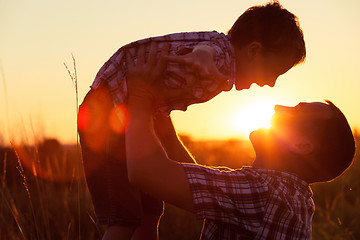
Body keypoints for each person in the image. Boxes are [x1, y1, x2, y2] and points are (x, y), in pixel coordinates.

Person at [78, 1, 306, 239]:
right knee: (124, 218)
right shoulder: (219, 59)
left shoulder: (221, 58)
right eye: (274, 72)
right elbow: (207, 52)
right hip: (106, 112)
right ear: (253, 52)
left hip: (129, 111)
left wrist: (197, 174)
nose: (271, 83)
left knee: (151, 211)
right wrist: (201, 58)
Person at [124, 42, 356, 239]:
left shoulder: (261, 192)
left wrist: (140, 94)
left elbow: (145, 173)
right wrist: (160, 119)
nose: (278, 107)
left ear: (301, 145)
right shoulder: (294, 198)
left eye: (296, 111)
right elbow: (194, 178)